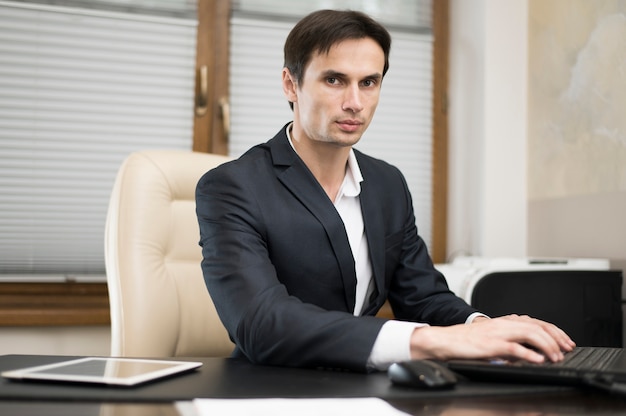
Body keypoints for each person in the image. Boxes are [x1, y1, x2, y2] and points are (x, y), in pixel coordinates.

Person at [195, 9, 575, 373]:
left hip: (366, 385)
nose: (354, 103)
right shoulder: (232, 187)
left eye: (369, 82)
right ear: (290, 84)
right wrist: (430, 342)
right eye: (334, 80)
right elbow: (261, 323)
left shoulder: (387, 184)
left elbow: (422, 296)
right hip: (269, 389)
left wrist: (480, 327)